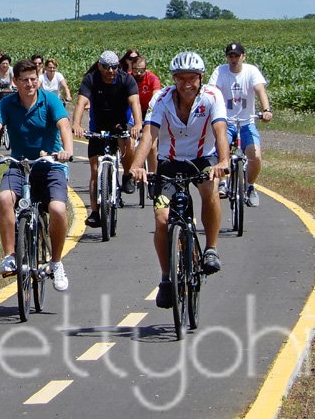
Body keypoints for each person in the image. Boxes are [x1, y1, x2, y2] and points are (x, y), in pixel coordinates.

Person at [128, 51, 229, 309]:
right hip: (169, 163)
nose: (186, 84)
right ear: (174, 79)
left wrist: (223, 162)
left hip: (202, 158)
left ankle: (211, 249)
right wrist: (136, 166)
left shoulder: (212, 97)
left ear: (200, 78)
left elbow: (220, 132)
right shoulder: (161, 99)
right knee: (162, 218)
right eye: (180, 78)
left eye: (192, 78)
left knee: (210, 190)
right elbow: (149, 134)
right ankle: (166, 278)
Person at [0, 58, 74, 292]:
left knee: (57, 209)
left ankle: (55, 262)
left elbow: (64, 125)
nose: (30, 84)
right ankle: (9, 255)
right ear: (15, 81)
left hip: (50, 165)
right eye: (24, 80)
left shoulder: (50, 100)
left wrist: (67, 151)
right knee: (5, 198)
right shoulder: (7, 104)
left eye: (33, 79)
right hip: (20, 165)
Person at [71, 50, 143, 226]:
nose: (111, 71)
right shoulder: (91, 79)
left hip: (120, 122)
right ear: (99, 66)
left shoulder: (126, 79)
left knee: (128, 141)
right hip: (99, 126)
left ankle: (127, 175)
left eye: (114, 67)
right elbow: (81, 102)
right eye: (106, 67)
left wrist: (138, 124)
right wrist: (77, 124)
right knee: (95, 171)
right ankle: (95, 212)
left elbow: (135, 102)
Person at [209, 42, 273, 207]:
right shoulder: (220, 71)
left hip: (246, 122)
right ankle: (222, 182)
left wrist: (266, 110)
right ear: (227, 57)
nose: (233, 59)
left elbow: (260, 90)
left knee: (255, 156)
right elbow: (213, 91)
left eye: (237, 56)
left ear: (243, 56)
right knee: (218, 150)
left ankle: (250, 186)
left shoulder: (251, 71)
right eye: (230, 56)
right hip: (226, 121)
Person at [129, 54, 162, 187]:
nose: (138, 73)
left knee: (152, 145)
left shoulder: (152, 78)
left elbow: (156, 96)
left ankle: (153, 175)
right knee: (130, 140)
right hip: (132, 110)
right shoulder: (128, 78)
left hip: (148, 110)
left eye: (141, 70)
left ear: (146, 69)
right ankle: (132, 171)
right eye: (135, 70)